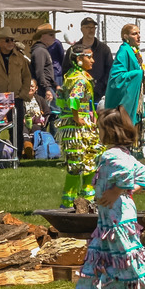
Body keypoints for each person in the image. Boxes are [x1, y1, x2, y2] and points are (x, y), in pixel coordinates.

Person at [74, 107, 145, 289]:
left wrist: (118, 190)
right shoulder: (122, 154)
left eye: (100, 129)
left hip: (118, 218)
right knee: (103, 254)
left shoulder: (113, 156)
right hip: (110, 218)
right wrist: (128, 189)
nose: (98, 132)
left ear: (110, 131)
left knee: (127, 255)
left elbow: (127, 172)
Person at [55, 45, 101, 207]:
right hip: (77, 128)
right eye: (89, 57)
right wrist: (77, 117)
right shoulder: (80, 79)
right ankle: (78, 201)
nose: (93, 60)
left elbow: (61, 99)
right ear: (79, 59)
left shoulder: (71, 76)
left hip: (75, 125)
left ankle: (77, 200)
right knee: (82, 162)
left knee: (82, 161)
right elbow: (74, 99)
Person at [0, 27, 33, 156]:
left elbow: (27, 76)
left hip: (16, 98)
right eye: (7, 40)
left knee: (17, 129)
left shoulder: (20, 57)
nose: (11, 42)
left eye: (12, 40)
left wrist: (22, 94)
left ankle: (17, 157)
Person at [104, 24, 145, 126]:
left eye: (139, 33)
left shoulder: (133, 50)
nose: (138, 36)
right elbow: (116, 77)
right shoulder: (123, 51)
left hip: (137, 97)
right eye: (134, 34)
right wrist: (138, 74)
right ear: (125, 36)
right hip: (125, 102)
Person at [71, 17, 114, 103]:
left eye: (93, 27)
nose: (91, 30)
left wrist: (100, 87)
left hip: (100, 94)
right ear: (82, 29)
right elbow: (66, 69)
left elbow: (109, 70)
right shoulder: (73, 50)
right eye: (88, 27)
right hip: (79, 93)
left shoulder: (104, 49)